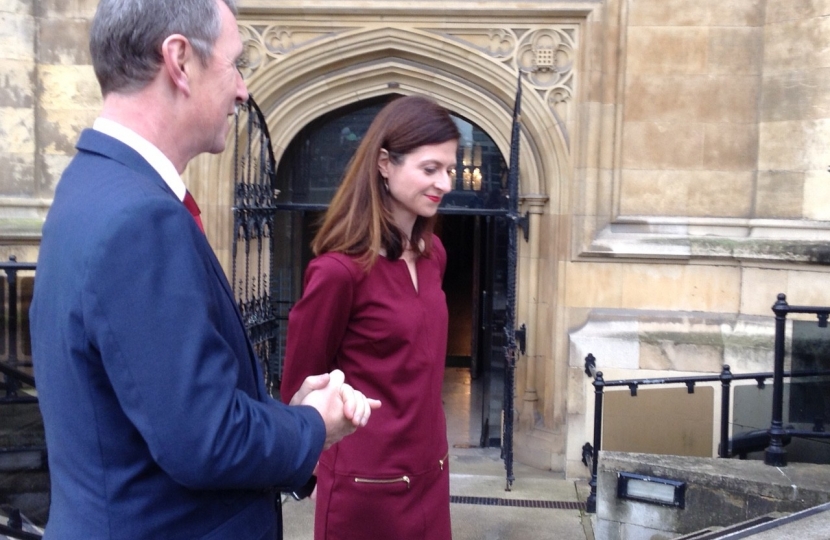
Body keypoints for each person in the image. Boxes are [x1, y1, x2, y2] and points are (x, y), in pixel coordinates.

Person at [28, 1, 379, 539]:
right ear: (179, 60)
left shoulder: (91, 184)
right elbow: (205, 440)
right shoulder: (139, 217)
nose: (242, 90)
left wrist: (286, 417)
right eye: (235, 65)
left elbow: (169, 406)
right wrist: (314, 426)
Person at [280, 95, 460, 540]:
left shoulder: (434, 254)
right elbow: (300, 391)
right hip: (365, 491)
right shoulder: (338, 272)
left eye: (450, 169)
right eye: (430, 168)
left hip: (432, 476)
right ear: (384, 163)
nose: (446, 182)